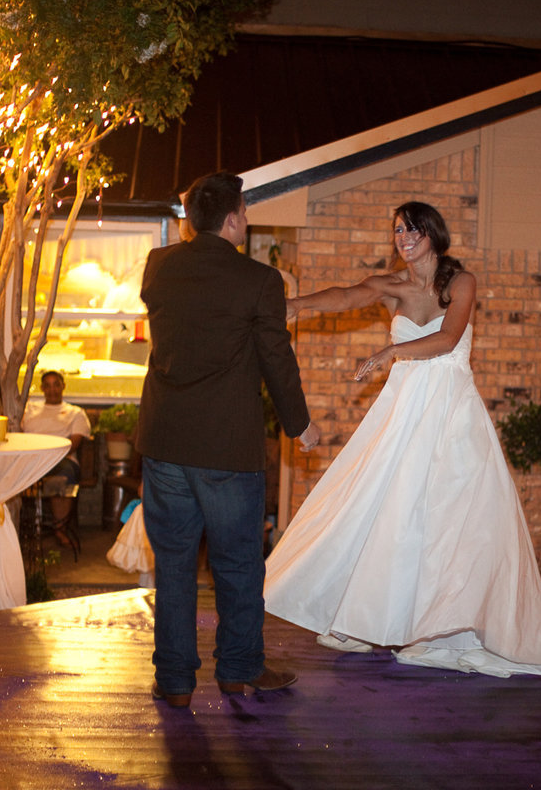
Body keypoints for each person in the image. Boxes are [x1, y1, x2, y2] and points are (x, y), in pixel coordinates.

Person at [264, 201, 541, 678]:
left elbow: (448, 337)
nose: (402, 237)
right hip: (403, 412)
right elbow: (345, 296)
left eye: (412, 229)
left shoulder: (461, 283)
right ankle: (367, 615)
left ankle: (443, 623)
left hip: (452, 413)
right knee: (389, 512)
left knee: (452, 519)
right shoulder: (391, 286)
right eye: (397, 230)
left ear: (433, 235)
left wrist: (390, 351)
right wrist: (298, 305)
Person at [137, 171, 320, 707]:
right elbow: (276, 359)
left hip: (165, 441)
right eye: (244, 209)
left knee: (173, 565)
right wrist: (299, 423)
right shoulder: (260, 282)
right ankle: (238, 670)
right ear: (234, 217)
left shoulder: (159, 268)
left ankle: (174, 681)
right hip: (226, 452)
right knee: (238, 564)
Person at [21, 370, 92, 548]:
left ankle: (59, 529)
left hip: (62, 458)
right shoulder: (29, 409)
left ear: (63, 386)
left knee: (62, 477)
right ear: (42, 388)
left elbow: (75, 442)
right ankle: (17, 530)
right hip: (32, 459)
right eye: (48, 385)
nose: (52, 389)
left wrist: (52, 455)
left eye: (56, 384)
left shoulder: (75, 412)